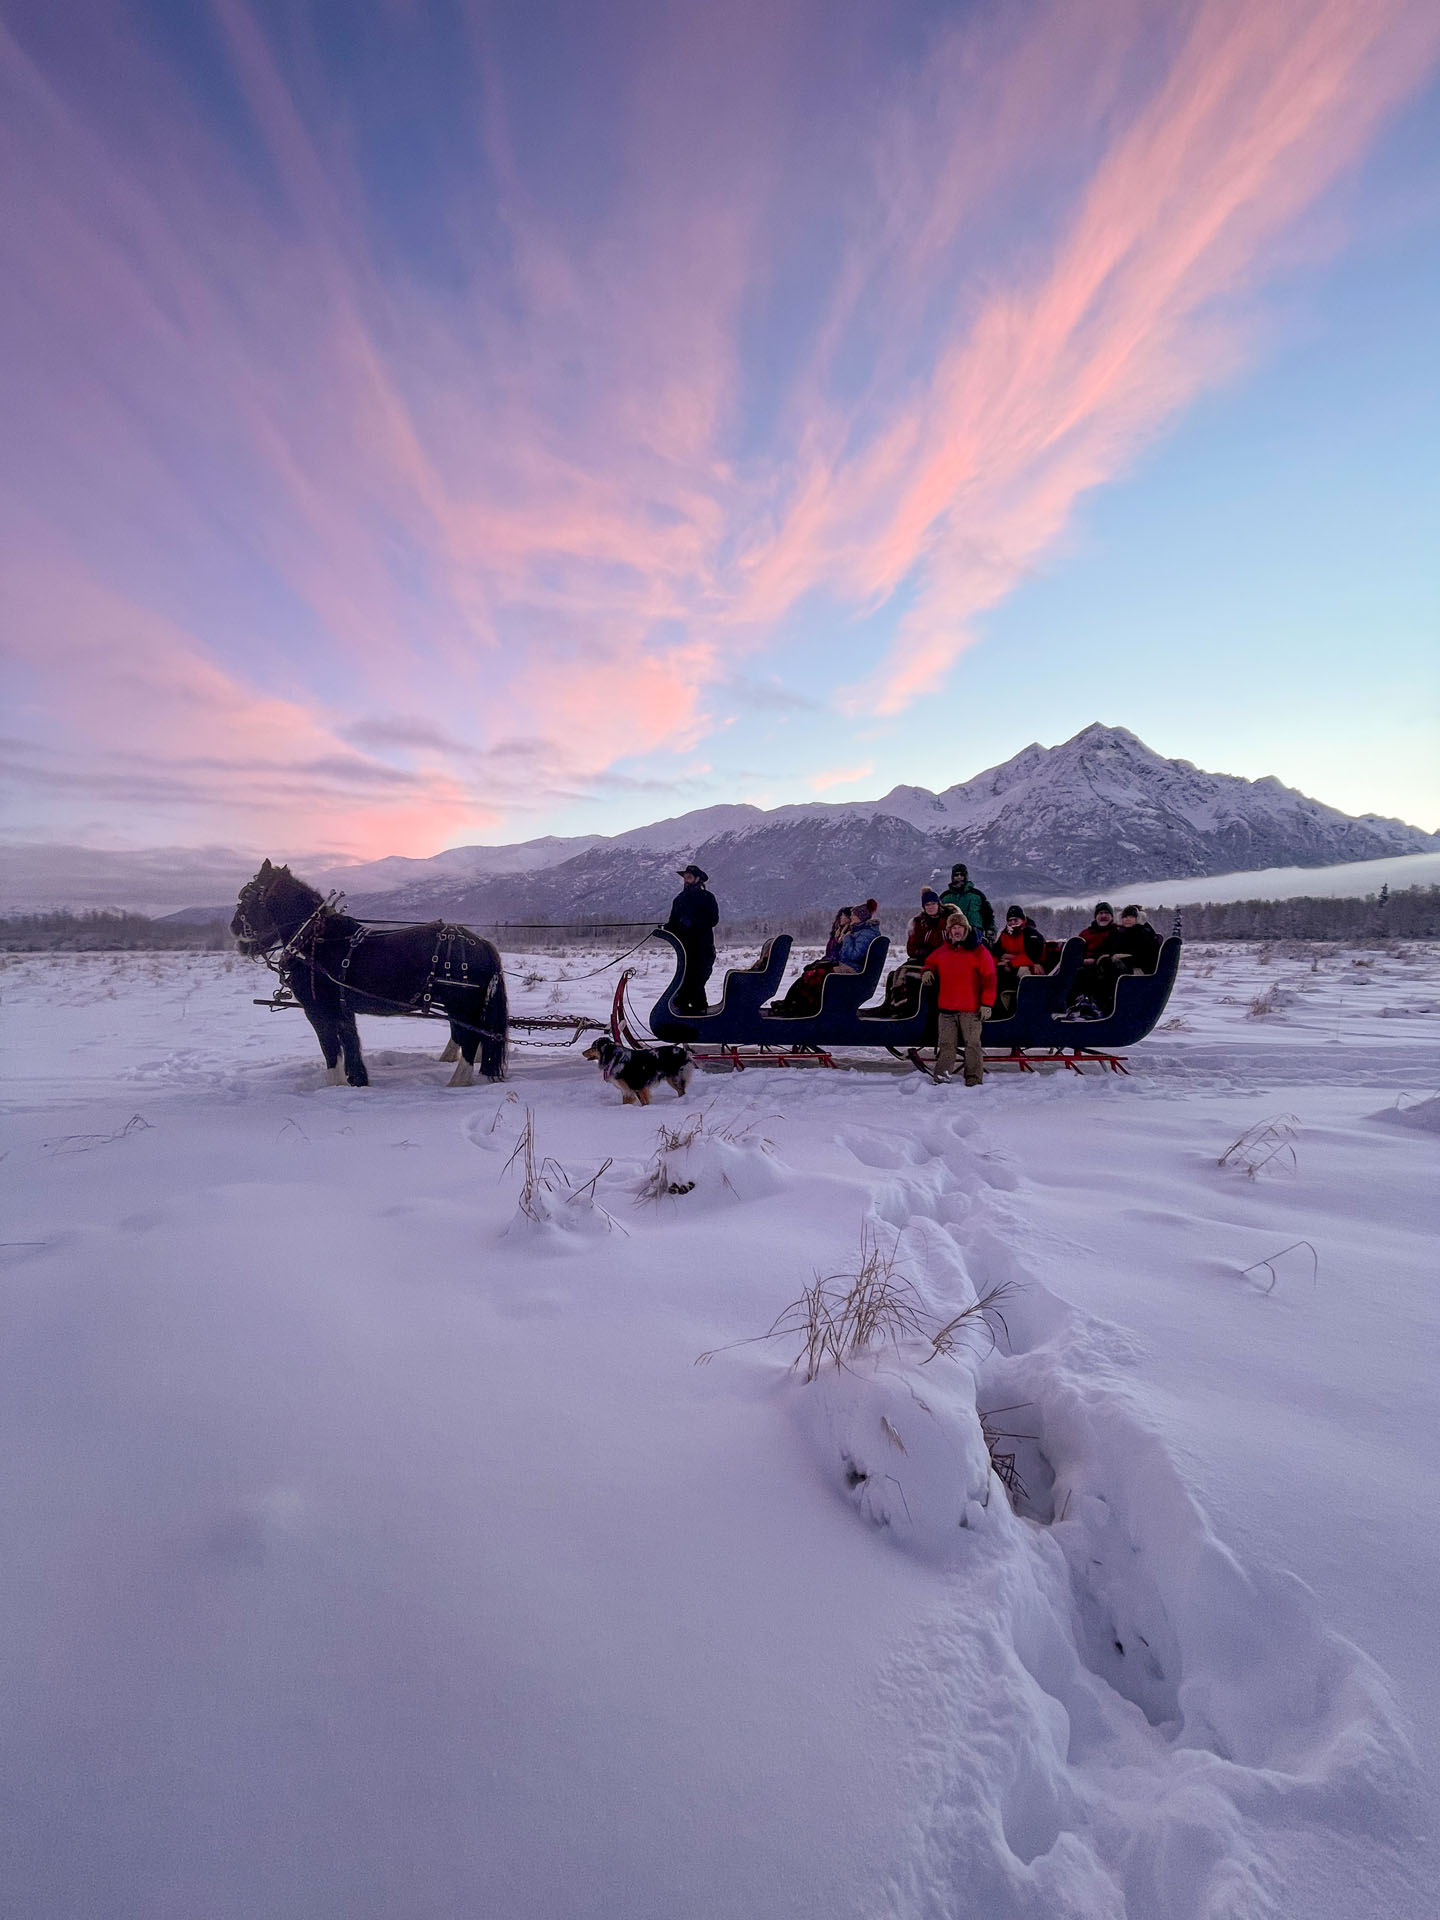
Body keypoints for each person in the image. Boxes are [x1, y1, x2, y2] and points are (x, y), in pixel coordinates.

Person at [922, 912, 997, 1085]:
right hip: (947, 1009)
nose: (956, 931)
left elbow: (990, 979)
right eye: (953, 928)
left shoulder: (979, 951)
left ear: (966, 929)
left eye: (960, 927)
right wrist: (926, 970)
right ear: (948, 931)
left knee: (972, 1045)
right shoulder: (943, 950)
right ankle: (941, 1077)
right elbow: (930, 961)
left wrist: (987, 1003)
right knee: (946, 1045)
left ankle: (973, 1078)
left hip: (970, 1010)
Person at [769, 906, 851, 1017]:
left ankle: (802, 1005)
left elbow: (841, 955)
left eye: (844, 916)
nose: (841, 918)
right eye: (840, 915)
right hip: (831, 962)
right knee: (804, 977)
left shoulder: (847, 935)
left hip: (837, 965)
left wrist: (825, 963)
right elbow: (831, 953)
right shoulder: (837, 933)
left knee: (812, 976)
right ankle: (790, 1003)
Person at [884, 888, 956, 1013]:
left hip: (947, 959)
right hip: (923, 959)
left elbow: (956, 941)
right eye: (927, 905)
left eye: (933, 903)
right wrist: (923, 952)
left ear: (938, 904)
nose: (930, 907)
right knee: (900, 973)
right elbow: (911, 948)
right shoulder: (918, 922)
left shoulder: (950, 920)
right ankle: (899, 1006)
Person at [664, 864, 719, 1015]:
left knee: (699, 978)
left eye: (689, 877)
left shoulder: (708, 898)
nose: (686, 880)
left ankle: (694, 1009)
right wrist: (666, 927)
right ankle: (691, 1010)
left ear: (698, 879)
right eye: (685, 878)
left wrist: (693, 922)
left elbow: (713, 920)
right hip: (685, 949)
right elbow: (673, 922)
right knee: (687, 979)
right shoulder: (679, 899)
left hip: (704, 947)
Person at [1089, 904, 1161, 1013]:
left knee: (1111, 972)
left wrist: (1124, 959)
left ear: (1138, 918)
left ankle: (1112, 1007)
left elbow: (1148, 955)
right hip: (1113, 966)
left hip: (1136, 969)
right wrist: (1103, 958)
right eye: (1125, 917)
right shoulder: (1117, 933)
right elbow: (1104, 949)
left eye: (1131, 917)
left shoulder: (1144, 933)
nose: (1127, 919)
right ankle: (1095, 1005)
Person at [1067, 901, 1118, 1016]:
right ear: (1096, 916)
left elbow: (1113, 949)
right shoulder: (1086, 933)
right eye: (1100, 913)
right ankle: (1070, 1005)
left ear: (1112, 917)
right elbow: (1076, 951)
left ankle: (1095, 1005)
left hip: (1103, 966)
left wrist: (1096, 959)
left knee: (1088, 975)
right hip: (1083, 964)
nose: (1103, 916)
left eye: (1106, 913)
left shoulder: (1115, 932)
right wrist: (1081, 960)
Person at [994, 905, 1046, 1015]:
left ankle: (1029, 1006)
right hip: (1008, 966)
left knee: (1024, 972)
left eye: (1015, 920)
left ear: (1023, 920)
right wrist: (993, 965)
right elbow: (996, 952)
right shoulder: (1005, 934)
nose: (1013, 923)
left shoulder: (1031, 934)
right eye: (1010, 920)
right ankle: (1000, 1009)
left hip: (1028, 967)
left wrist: (1011, 962)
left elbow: (1032, 956)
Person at [939, 864, 995, 940]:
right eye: (956, 875)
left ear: (966, 876)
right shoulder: (945, 897)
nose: (959, 877)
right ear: (952, 877)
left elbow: (988, 915)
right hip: (953, 934)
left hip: (974, 933)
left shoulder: (977, 895)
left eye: (962, 875)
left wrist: (990, 930)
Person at [832, 899, 883, 973]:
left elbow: (854, 956)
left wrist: (847, 938)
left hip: (854, 968)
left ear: (860, 917)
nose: (851, 917)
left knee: (820, 974)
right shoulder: (860, 932)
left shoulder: (867, 934)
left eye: (853, 915)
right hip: (850, 965)